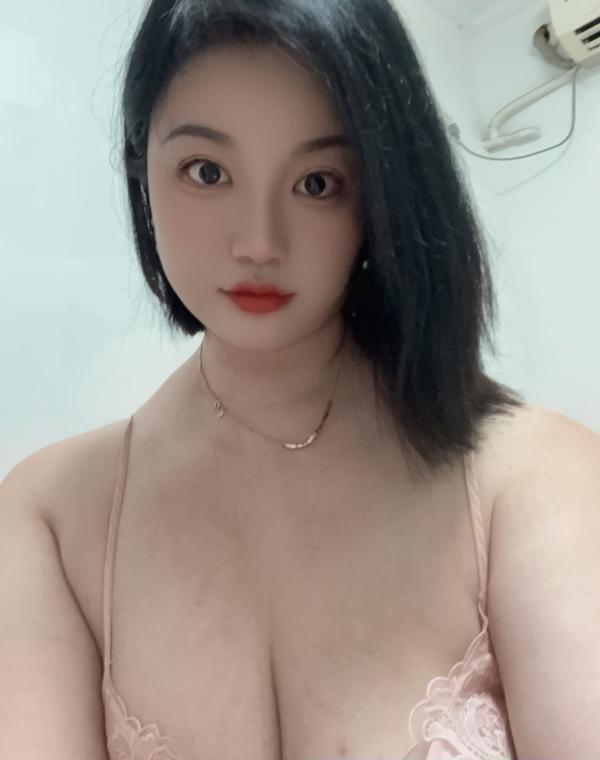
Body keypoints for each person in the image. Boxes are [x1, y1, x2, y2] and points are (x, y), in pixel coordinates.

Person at [1, 1, 598, 759]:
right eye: (207, 172)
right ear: (141, 170)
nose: (259, 242)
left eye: (318, 182)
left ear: (381, 196)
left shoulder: (534, 479)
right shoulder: (49, 520)